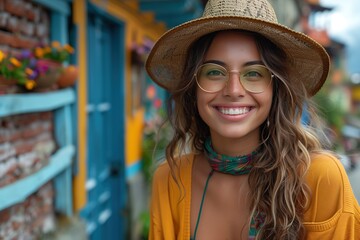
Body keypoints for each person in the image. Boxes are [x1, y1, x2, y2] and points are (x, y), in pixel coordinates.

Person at [145, 0, 360, 239]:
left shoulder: (319, 178)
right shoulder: (169, 181)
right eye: (214, 72)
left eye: (254, 73)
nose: (234, 90)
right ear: (193, 86)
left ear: (275, 89)